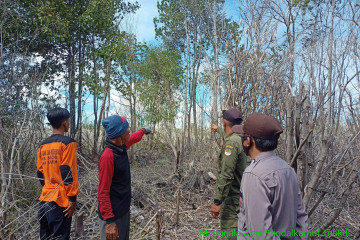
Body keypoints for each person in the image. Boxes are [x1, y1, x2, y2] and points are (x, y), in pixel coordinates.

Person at [232, 113, 309, 240]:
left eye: (244, 136)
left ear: (248, 141)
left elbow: (261, 234)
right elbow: (301, 217)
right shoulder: (288, 169)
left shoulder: (254, 175)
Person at [97, 115, 151, 240]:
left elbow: (134, 138)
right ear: (120, 134)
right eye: (127, 128)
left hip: (123, 210)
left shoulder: (121, 146)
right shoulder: (108, 157)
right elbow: (102, 192)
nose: (129, 131)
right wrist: (110, 222)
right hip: (112, 216)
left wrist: (143, 130)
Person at [37, 107, 78, 240]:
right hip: (60, 201)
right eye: (68, 120)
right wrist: (72, 199)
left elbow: (40, 172)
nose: (68, 123)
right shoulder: (68, 143)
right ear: (64, 122)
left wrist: (47, 188)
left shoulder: (43, 145)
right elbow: (67, 171)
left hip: (44, 200)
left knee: (45, 237)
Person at [210, 108, 247, 239]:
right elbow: (230, 137)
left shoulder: (231, 143)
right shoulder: (243, 139)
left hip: (232, 200)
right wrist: (219, 130)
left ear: (224, 122)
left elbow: (226, 175)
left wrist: (217, 201)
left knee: (229, 234)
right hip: (245, 197)